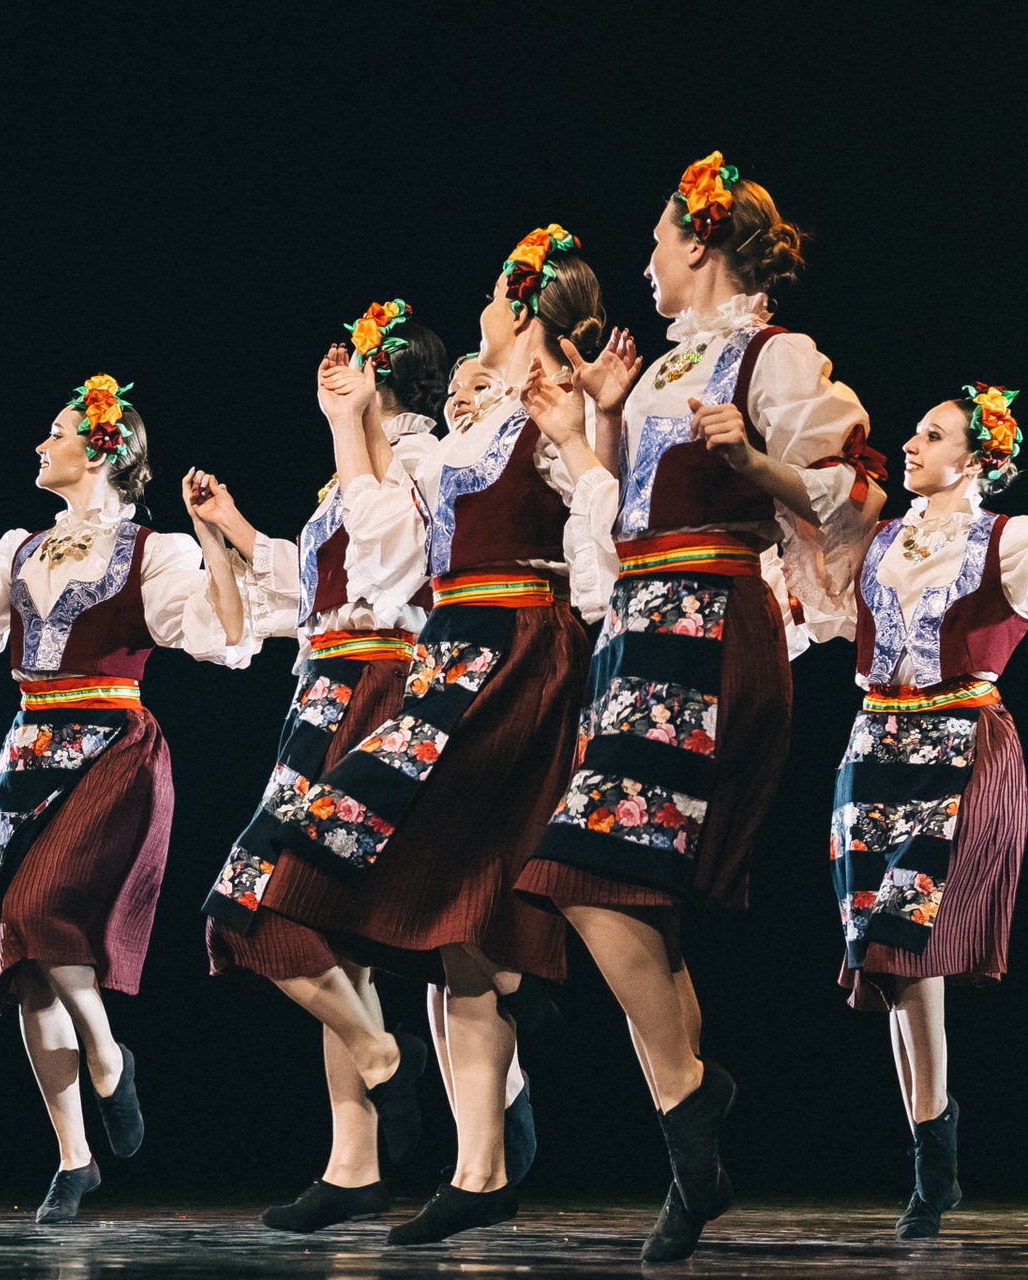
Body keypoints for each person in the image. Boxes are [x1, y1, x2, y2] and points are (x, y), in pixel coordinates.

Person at [515, 154, 886, 1263]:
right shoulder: (667, 368)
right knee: (635, 893)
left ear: (703, 242)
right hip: (641, 629)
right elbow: (626, 513)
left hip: (710, 630)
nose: (645, 261)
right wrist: (604, 421)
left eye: (658, 240)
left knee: (581, 868)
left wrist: (757, 461)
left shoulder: (777, 357)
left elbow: (852, 492)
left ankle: (692, 1106)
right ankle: (693, 1160)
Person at [264, 227, 609, 1244]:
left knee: (450, 893)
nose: (482, 314)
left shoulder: (556, 406)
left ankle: (497, 1062)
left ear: (524, 306)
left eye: (496, 298)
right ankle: (480, 1158)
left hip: (518, 651)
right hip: (451, 657)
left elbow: (605, 518)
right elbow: (385, 546)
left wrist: (586, 434)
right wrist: (347, 423)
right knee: (448, 915)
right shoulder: (464, 440)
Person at [0, 374, 251, 1223]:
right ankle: (74, 1159)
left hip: (113, 750)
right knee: (25, 962)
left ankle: (108, 1056)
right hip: (29, 752)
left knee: (35, 911)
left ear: (101, 449)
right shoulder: (20, 548)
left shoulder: (153, 551)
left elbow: (217, 633)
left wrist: (215, 541)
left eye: (58, 432)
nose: (41, 444)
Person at [190, 303, 459, 1233]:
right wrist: (231, 526)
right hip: (322, 693)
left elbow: (388, 560)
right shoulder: (348, 472)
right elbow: (315, 594)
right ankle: (353, 1166)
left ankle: (386, 1060)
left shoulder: (427, 461)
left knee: (249, 899)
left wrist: (349, 430)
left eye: (360, 364)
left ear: (389, 377)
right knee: (323, 932)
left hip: (380, 689)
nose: (340, 372)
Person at [832, 384, 1024, 1240]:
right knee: (890, 955)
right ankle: (933, 1154)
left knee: (911, 936)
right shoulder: (880, 538)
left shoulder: (1009, 540)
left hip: (962, 742)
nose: (910, 444)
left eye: (933, 435)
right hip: (874, 744)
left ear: (977, 458)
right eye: (913, 432)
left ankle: (933, 1163)